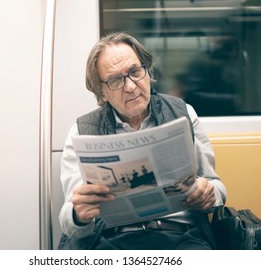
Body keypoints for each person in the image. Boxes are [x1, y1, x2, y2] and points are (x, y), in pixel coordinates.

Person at [58, 32, 227, 250]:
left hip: (181, 238)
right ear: (102, 92)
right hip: (112, 241)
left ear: (147, 72)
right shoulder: (82, 133)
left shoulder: (183, 113)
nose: (130, 86)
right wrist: (78, 214)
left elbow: (217, 185)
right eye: (115, 80)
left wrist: (209, 194)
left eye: (135, 72)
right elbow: (68, 220)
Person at [182, 36, 242, 116]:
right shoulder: (201, 63)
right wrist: (230, 99)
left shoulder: (228, 67)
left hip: (225, 114)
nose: (233, 53)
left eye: (236, 49)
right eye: (229, 48)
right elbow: (192, 94)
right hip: (206, 114)